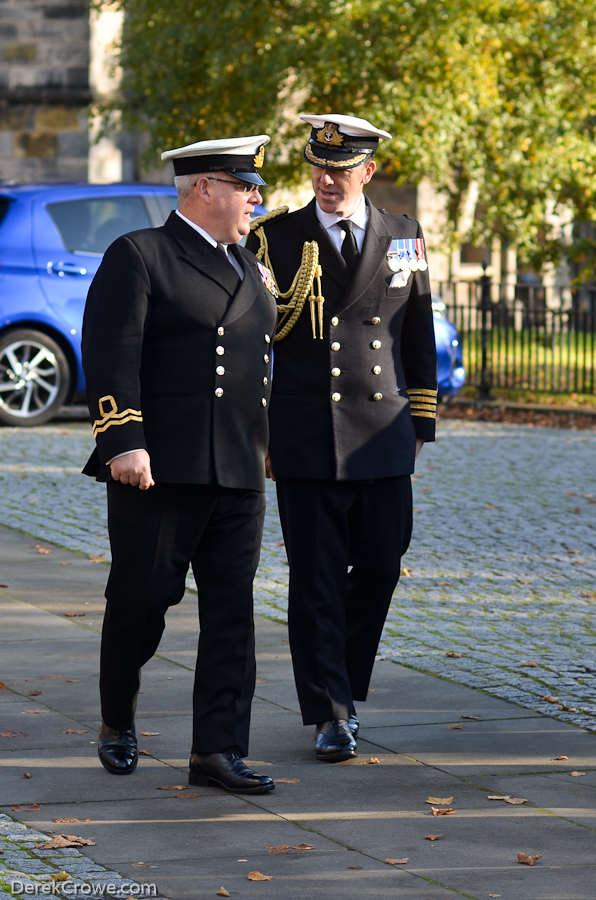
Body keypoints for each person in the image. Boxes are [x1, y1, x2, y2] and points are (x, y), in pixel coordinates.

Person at [81, 134, 279, 794]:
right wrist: (122, 441)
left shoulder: (251, 266)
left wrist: (269, 437)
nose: (257, 198)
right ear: (204, 189)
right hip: (161, 469)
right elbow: (111, 355)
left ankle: (217, 751)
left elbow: (260, 363)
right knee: (142, 602)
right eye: (245, 186)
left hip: (238, 468)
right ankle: (117, 720)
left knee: (232, 613)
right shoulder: (141, 256)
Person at [246, 114, 437, 762]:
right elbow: (251, 345)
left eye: (341, 168)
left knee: (381, 564)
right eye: (319, 168)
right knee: (317, 577)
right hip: (307, 434)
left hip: (383, 432)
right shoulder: (276, 239)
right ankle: (330, 712)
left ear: (369, 170)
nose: (327, 180)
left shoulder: (403, 235)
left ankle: (345, 686)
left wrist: (422, 424)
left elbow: (417, 333)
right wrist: (262, 432)